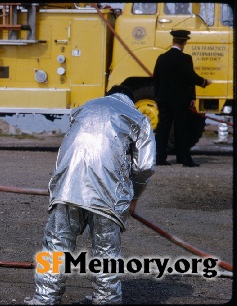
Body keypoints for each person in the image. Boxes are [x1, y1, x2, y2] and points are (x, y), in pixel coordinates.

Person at [24, 85, 156, 305]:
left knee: (57, 244)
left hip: (67, 187)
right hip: (108, 193)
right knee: (106, 250)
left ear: (109, 95)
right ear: (130, 100)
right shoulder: (138, 117)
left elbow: (70, 145)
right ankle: (106, 299)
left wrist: (57, 187)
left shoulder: (84, 108)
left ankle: (45, 299)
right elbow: (144, 167)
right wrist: (134, 197)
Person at [153, 29, 212, 167]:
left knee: (163, 129)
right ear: (184, 42)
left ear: (173, 41)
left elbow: (156, 79)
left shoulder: (162, 58)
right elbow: (190, 78)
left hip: (164, 100)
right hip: (180, 101)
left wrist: (157, 98)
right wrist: (203, 83)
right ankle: (184, 159)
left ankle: (159, 159)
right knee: (182, 129)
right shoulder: (185, 59)